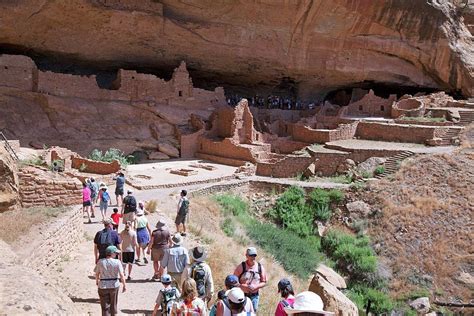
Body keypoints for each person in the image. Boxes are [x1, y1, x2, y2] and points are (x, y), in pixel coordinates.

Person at [95, 245, 126, 316]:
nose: (116, 254)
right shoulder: (117, 262)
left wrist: (97, 281)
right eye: (115, 253)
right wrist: (124, 285)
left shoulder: (100, 261)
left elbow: (97, 273)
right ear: (112, 253)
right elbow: (121, 274)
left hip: (102, 285)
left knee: (104, 307)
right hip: (114, 285)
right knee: (113, 305)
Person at [233, 247, 267, 312]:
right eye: (251, 255)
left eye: (254, 255)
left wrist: (256, 286)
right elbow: (234, 280)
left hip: (254, 296)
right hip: (242, 295)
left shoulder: (260, 267)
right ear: (246, 256)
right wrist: (242, 286)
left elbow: (264, 282)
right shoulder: (241, 267)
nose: (253, 257)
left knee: (252, 313)